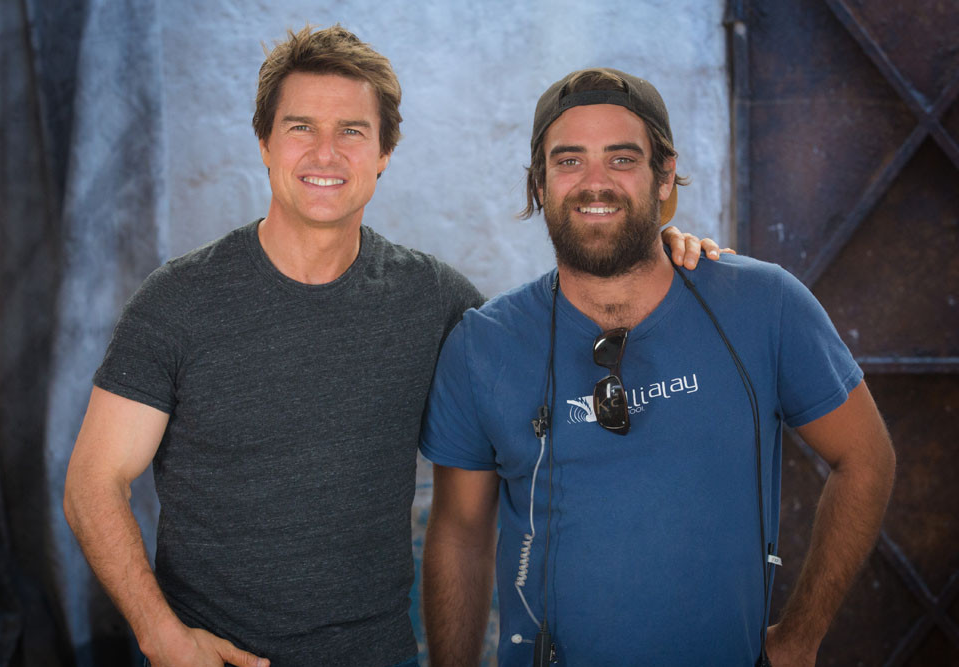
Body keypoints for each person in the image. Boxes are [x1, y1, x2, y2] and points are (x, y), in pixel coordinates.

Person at [62, 28, 719, 667]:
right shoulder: (180, 298)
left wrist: (655, 249)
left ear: (383, 152)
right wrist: (164, 638)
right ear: (264, 142)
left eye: (352, 131)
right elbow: (95, 480)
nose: (325, 152)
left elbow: (555, 324)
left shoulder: (432, 298)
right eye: (300, 128)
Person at [419, 67, 896, 667]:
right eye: (568, 162)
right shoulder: (482, 344)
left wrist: (800, 638)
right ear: (538, 183)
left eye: (621, 159)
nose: (595, 184)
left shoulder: (763, 305)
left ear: (663, 175)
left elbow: (866, 458)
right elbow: (460, 530)